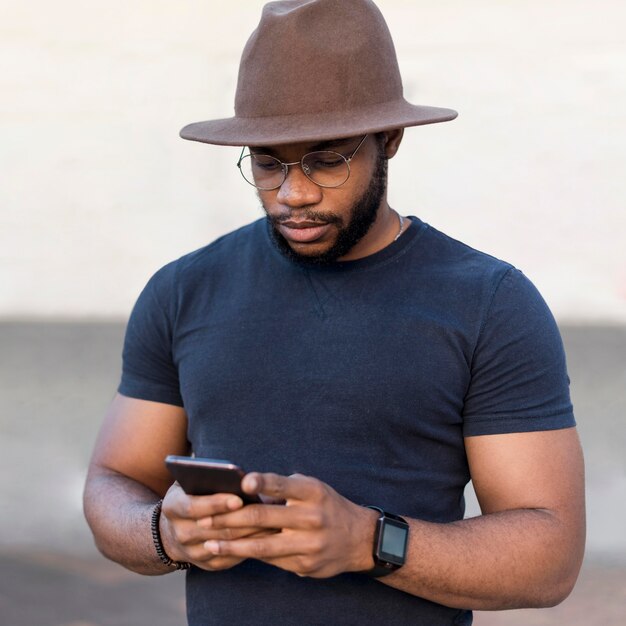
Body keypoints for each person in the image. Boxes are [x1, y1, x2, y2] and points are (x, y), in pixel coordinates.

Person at [83, 1, 585, 624]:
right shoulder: (185, 290)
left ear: (390, 140)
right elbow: (113, 481)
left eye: (328, 159)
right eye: (267, 163)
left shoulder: (490, 302)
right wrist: (163, 532)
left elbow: (550, 560)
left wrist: (370, 542)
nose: (294, 193)